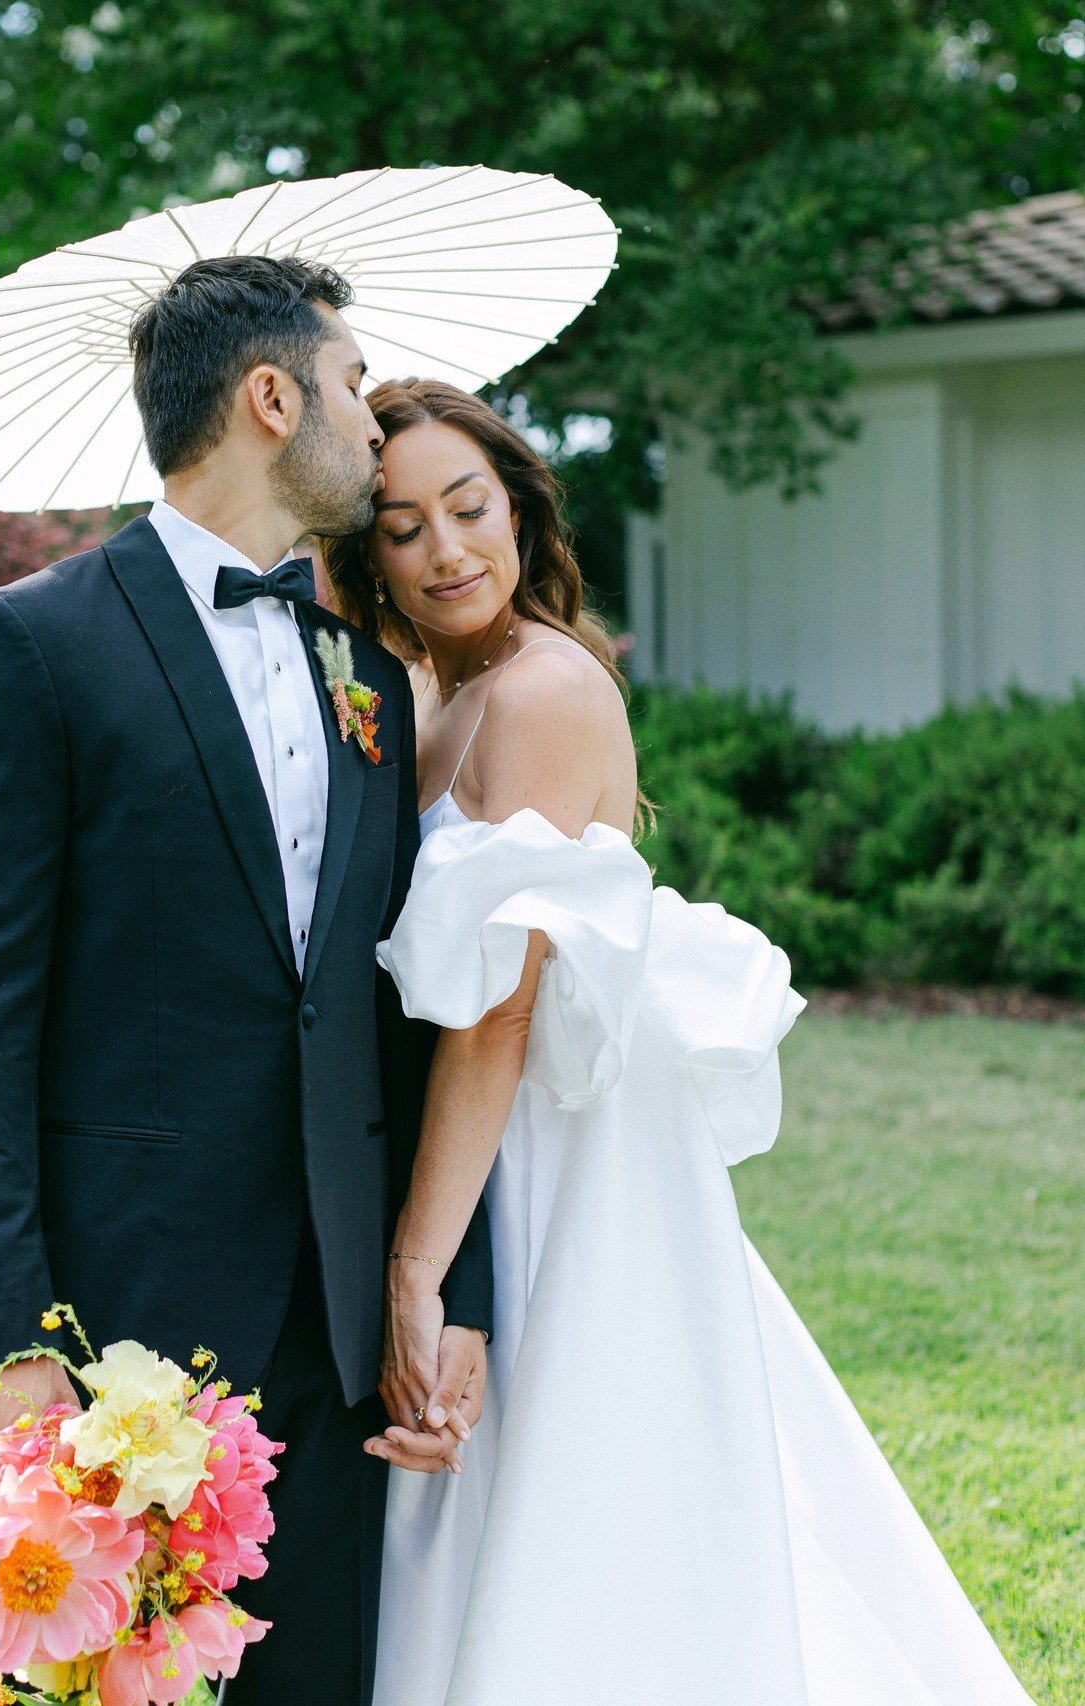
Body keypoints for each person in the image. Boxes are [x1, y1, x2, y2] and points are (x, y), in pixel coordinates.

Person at [323, 377, 1038, 1706]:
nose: (443, 552)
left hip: (550, 1148)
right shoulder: (434, 691)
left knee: (589, 1484)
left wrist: (421, 1272)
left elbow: (498, 1008)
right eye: (401, 526)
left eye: (467, 507)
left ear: (523, 508)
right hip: (496, 1134)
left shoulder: (539, 690)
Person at [0, 260, 493, 1706]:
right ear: (270, 394)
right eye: (351, 384)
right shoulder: (30, 644)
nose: (372, 423)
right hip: (125, 1310)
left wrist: (446, 1283)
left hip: (340, 1317)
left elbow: (399, 1007)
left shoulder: (367, 666)